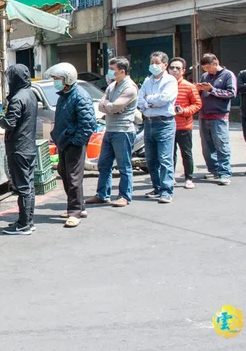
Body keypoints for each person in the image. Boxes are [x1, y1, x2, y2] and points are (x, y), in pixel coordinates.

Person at [45, 63, 95, 227]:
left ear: (67, 79)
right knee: (64, 173)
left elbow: (87, 123)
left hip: (73, 142)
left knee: (73, 177)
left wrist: (76, 141)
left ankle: (74, 212)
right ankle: (79, 206)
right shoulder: (64, 96)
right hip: (64, 141)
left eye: (57, 79)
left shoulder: (80, 96)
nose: (55, 82)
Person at [87, 57, 138, 207]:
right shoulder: (112, 86)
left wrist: (111, 107)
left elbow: (114, 107)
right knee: (104, 164)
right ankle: (102, 194)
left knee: (124, 166)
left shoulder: (129, 88)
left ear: (122, 71)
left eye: (112, 70)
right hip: (109, 129)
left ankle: (125, 196)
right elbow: (102, 105)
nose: (110, 72)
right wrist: (110, 106)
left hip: (123, 131)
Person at [0, 64, 38, 235]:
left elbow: (10, 123)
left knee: (22, 187)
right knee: (29, 185)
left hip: (19, 148)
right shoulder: (31, 94)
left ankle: (23, 224)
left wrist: (0, 118)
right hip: (29, 146)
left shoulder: (17, 99)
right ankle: (28, 221)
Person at [138, 51, 178, 203]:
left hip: (164, 122)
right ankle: (157, 187)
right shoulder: (148, 81)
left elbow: (164, 99)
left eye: (157, 63)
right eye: (152, 63)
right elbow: (139, 100)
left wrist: (148, 101)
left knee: (165, 158)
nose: (154, 66)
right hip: (148, 122)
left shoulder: (170, 81)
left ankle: (167, 191)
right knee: (151, 158)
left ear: (165, 65)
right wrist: (149, 102)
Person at [197, 53, 237, 185]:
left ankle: (224, 172)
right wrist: (199, 89)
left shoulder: (228, 75)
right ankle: (214, 170)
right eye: (205, 68)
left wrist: (212, 89)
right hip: (204, 115)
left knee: (221, 144)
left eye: (209, 67)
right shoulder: (205, 76)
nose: (208, 71)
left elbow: (231, 93)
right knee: (207, 146)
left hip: (219, 116)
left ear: (216, 62)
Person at [169, 57, 202, 189]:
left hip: (184, 125)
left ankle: (189, 178)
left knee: (186, 153)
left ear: (183, 70)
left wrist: (184, 111)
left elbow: (197, 104)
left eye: (178, 68)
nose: (175, 70)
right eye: (172, 67)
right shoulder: (163, 85)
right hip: (167, 125)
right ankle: (170, 177)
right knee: (169, 154)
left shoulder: (189, 86)